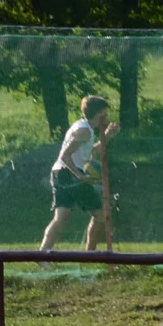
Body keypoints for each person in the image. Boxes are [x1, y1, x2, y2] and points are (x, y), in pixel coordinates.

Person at [39, 94, 111, 252]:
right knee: (100, 215)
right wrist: (79, 175)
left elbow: (90, 153)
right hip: (69, 174)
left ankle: (43, 254)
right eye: (105, 112)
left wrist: (107, 137)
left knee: (62, 218)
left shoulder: (85, 128)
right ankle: (90, 254)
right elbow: (65, 155)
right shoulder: (84, 130)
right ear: (98, 113)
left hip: (59, 173)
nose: (106, 115)